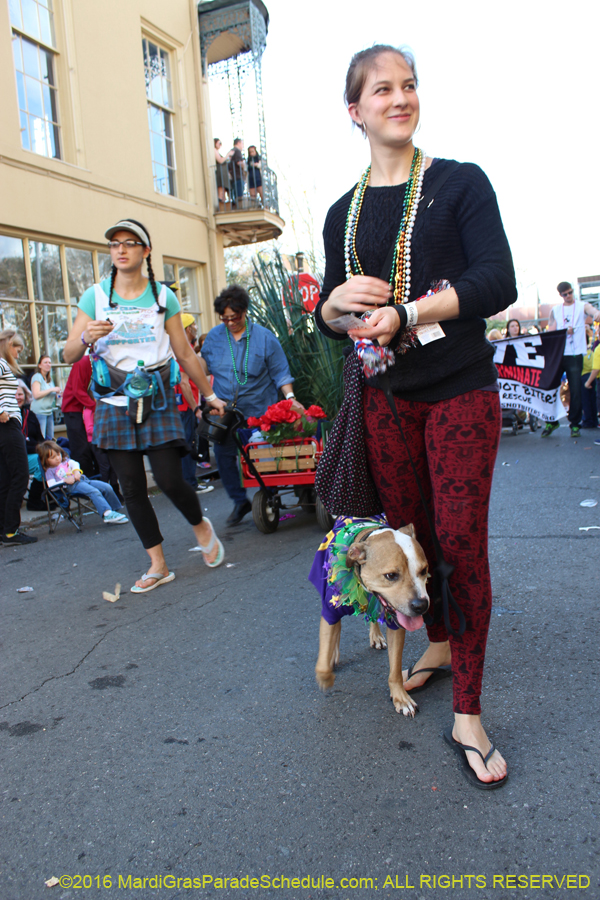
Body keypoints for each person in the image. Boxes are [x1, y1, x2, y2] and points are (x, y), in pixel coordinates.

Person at [315, 45, 516, 788]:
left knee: (459, 541)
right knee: (413, 537)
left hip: (458, 387)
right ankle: (435, 641)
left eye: (409, 85)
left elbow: (496, 278)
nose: (399, 98)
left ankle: (469, 712)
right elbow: (330, 315)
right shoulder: (344, 212)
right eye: (382, 89)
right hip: (386, 402)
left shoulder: (460, 184)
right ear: (356, 111)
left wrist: (408, 312)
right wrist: (333, 308)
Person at [62, 218, 227, 592]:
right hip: (114, 401)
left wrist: (210, 395)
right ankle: (158, 564)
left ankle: (200, 526)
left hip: (156, 397)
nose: (120, 249)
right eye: (115, 243)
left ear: (145, 251)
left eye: (130, 242)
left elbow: (184, 352)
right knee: (132, 488)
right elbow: (69, 352)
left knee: (170, 479)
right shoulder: (96, 296)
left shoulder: (162, 297)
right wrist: (86, 337)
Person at [200, 284, 299, 526]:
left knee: (261, 454)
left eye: (235, 317)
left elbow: (281, 375)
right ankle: (239, 501)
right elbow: (203, 366)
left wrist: (290, 398)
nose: (230, 323)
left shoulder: (265, 338)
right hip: (225, 410)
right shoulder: (214, 337)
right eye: (225, 319)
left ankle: (269, 494)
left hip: (259, 409)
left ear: (245, 311)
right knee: (223, 455)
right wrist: (201, 387)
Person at [544, 282, 600, 438]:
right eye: (565, 294)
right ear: (560, 295)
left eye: (570, 293)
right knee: (551, 387)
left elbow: (593, 311)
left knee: (575, 390)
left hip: (575, 355)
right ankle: (551, 419)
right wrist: (563, 331)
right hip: (558, 354)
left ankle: (574, 424)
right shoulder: (555, 310)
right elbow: (551, 331)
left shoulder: (582, 306)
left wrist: (596, 314)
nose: (568, 296)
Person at [0, 330, 38, 544]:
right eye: (17, 349)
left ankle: (5, 530)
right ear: (8, 345)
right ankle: (11, 530)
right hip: (7, 424)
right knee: (20, 476)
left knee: (6, 479)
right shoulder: (2, 364)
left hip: (5, 427)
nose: (18, 354)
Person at [37, 440, 127, 524]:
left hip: (84, 480)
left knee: (106, 487)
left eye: (58, 454)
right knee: (94, 491)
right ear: (45, 460)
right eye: (53, 457)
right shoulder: (50, 471)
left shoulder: (66, 461)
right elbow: (51, 485)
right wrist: (65, 480)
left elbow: (75, 463)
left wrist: (76, 471)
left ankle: (114, 509)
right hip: (71, 486)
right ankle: (107, 514)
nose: (57, 458)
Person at [175, 313, 213, 495]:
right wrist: (195, 408)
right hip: (184, 407)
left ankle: (185, 483)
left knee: (184, 444)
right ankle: (189, 484)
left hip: (179, 405)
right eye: (194, 325)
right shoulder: (184, 350)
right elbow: (184, 382)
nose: (197, 328)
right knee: (188, 443)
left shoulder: (177, 348)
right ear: (189, 329)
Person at [30, 353, 61, 439]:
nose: (48, 364)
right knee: (42, 438)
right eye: (45, 362)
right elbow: (36, 394)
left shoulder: (49, 379)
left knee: (50, 438)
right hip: (39, 412)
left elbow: (52, 394)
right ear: (39, 365)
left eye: (49, 362)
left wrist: (58, 394)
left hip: (49, 412)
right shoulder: (37, 377)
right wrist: (52, 389)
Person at [582, 327, 600, 429]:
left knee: (586, 401)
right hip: (594, 379)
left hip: (587, 378)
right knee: (593, 401)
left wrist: (587, 382)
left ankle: (588, 421)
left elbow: (596, 368)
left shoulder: (596, 350)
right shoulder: (591, 352)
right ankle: (594, 420)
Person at [214, 138, 233, 204]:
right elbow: (220, 160)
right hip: (220, 173)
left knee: (223, 191)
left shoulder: (217, 152)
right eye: (219, 143)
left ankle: (223, 202)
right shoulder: (214, 150)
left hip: (223, 173)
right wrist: (228, 154)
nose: (220, 145)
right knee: (221, 191)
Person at [228, 138, 246, 204]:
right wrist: (244, 165)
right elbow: (239, 163)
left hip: (233, 177)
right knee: (239, 197)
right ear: (238, 143)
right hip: (238, 176)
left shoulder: (231, 152)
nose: (243, 146)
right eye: (242, 143)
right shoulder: (237, 151)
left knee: (235, 196)